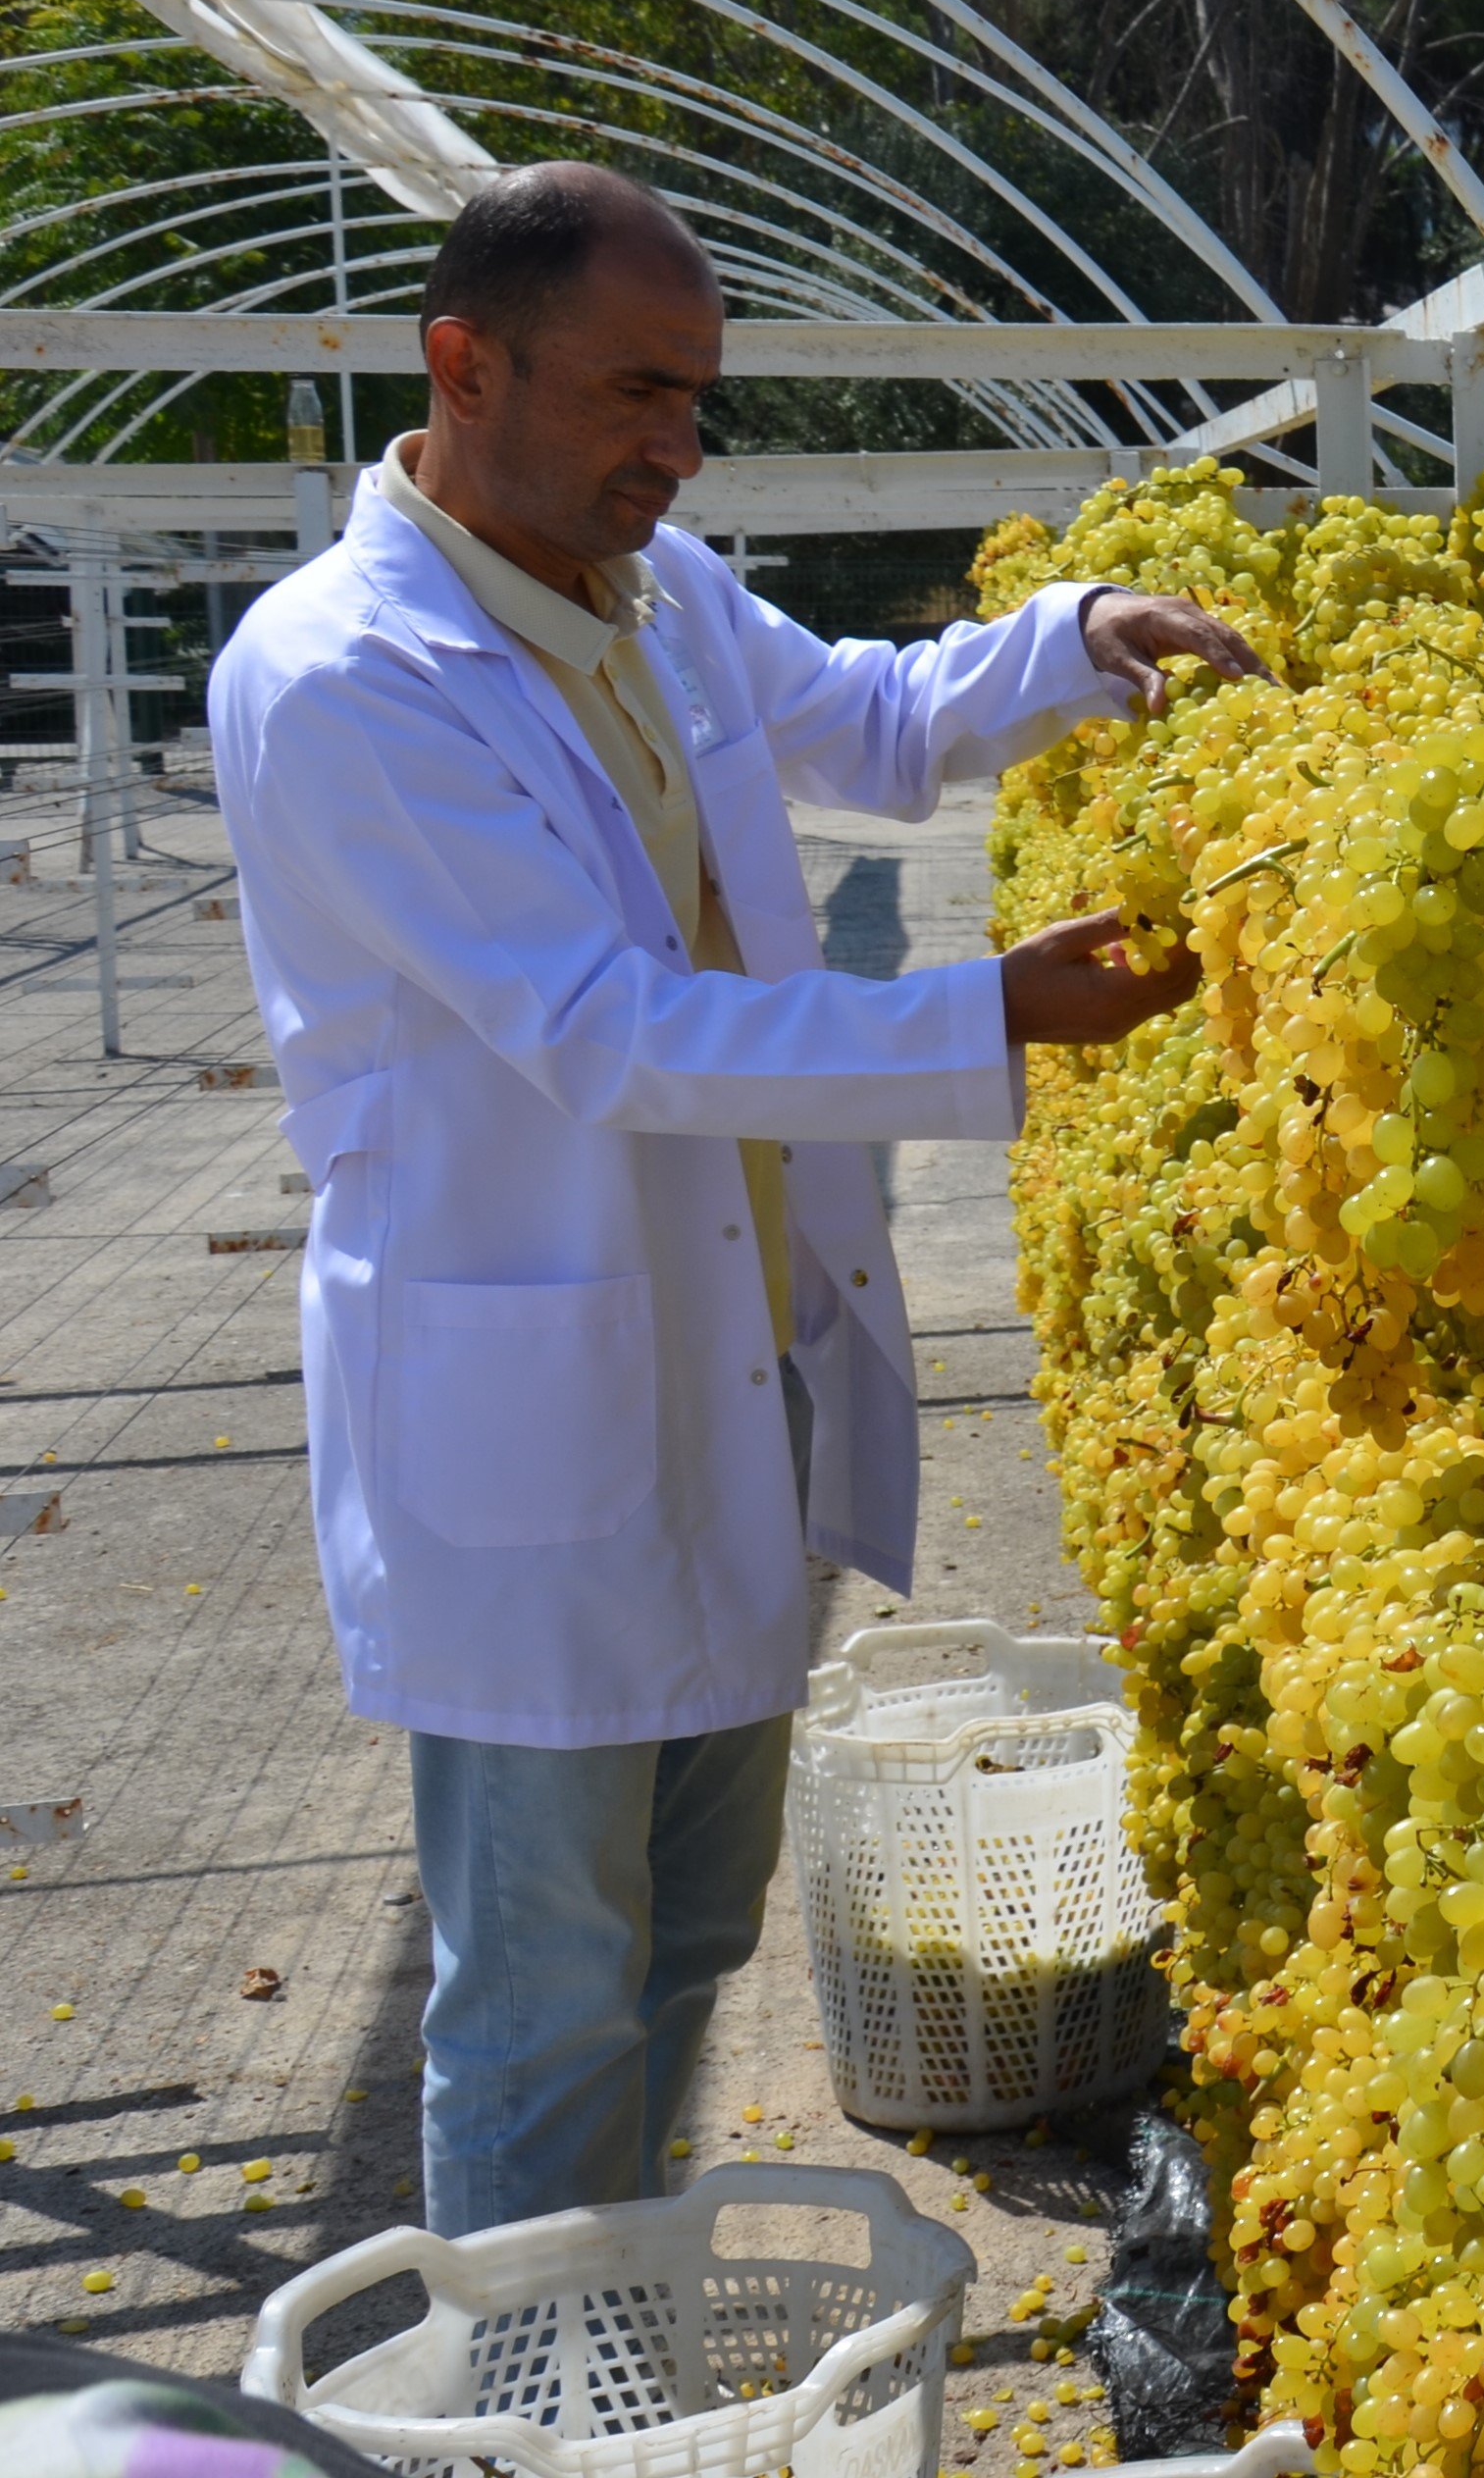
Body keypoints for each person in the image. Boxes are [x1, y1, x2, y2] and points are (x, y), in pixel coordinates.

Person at [210, 162, 1257, 2234]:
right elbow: (604, 1030)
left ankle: (618, 2342)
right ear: (464, 365)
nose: (678, 445)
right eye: (636, 392)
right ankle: (533, 2385)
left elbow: (866, 717)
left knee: (688, 1935)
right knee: (542, 2000)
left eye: (698, 397)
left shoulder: (652, 588)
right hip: (522, 1428)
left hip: (728, 1370)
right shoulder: (344, 677)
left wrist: (1075, 640)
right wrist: (989, 1013)